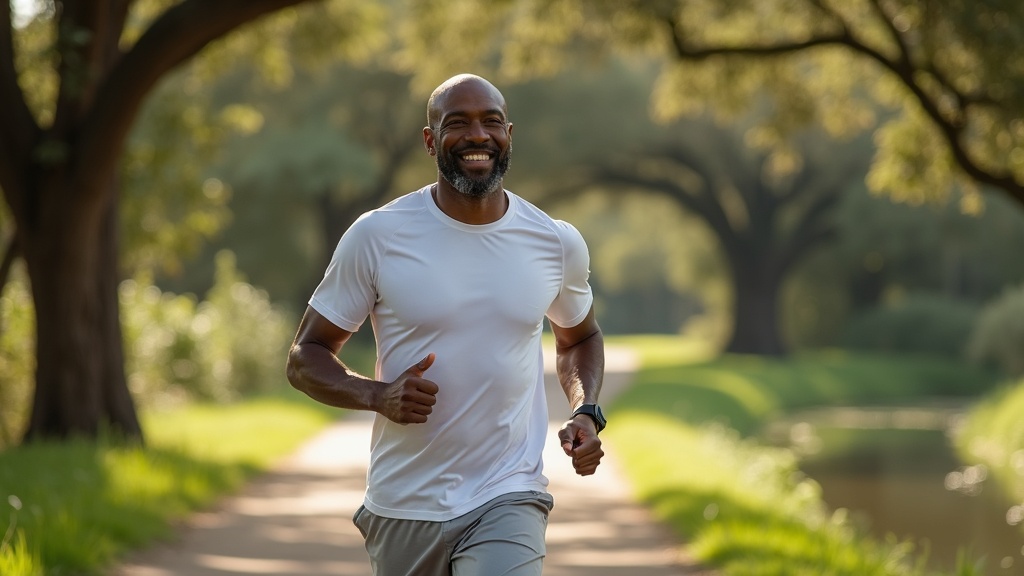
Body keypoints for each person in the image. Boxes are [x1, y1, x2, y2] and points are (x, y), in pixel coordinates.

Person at [286, 73, 607, 576]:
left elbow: (580, 336)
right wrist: (377, 394)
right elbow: (305, 357)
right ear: (431, 140)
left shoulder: (554, 241)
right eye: (457, 123)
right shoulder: (378, 236)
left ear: (508, 135)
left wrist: (585, 411)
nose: (477, 135)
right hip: (404, 501)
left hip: (509, 492)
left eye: (491, 122)